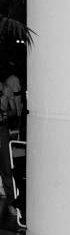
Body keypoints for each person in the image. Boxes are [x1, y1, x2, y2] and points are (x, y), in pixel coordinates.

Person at [0, 79, 17, 216]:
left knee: (6, 169)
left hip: (2, 130)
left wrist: (5, 113)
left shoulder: (6, 88)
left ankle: (12, 203)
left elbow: (14, 111)